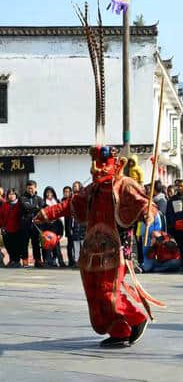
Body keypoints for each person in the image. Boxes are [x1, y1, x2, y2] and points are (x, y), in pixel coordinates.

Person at [35, 146, 163, 347]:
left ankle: (137, 318)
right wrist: (47, 213)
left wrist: (148, 213)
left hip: (115, 247)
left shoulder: (124, 185)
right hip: (92, 249)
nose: (97, 169)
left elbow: (144, 203)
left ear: (117, 165)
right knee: (93, 292)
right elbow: (70, 204)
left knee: (107, 291)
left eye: (103, 165)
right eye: (95, 165)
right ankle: (118, 330)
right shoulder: (92, 189)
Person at [166, 180, 183, 272]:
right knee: (181, 247)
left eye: (182, 186)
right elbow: (169, 215)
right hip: (178, 228)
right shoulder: (172, 200)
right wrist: (173, 225)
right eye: (178, 186)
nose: (180, 188)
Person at [20, 180, 44, 268]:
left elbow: (42, 207)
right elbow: (25, 206)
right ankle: (25, 260)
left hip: (35, 225)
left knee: (36, 244)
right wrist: (36, 207)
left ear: (35, 188)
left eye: (32, 188)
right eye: (28, 188)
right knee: (24, 243)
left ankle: (38, 260)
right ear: (26, 188)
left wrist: (35, 208)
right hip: (25, 225)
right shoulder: (22, 198)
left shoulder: (39, 199)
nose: (30, 190)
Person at [0, 188, 23, 267]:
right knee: (8, 246)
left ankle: (17, 261)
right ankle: (12, 260)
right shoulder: (5, 204)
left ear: (16, 195)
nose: (11, 196)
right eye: (9, 194)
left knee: (16, 246)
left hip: (17, 229)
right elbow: (1, 216)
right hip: (6, 229)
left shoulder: (20, 204)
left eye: (13, 194)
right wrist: (2, 226)